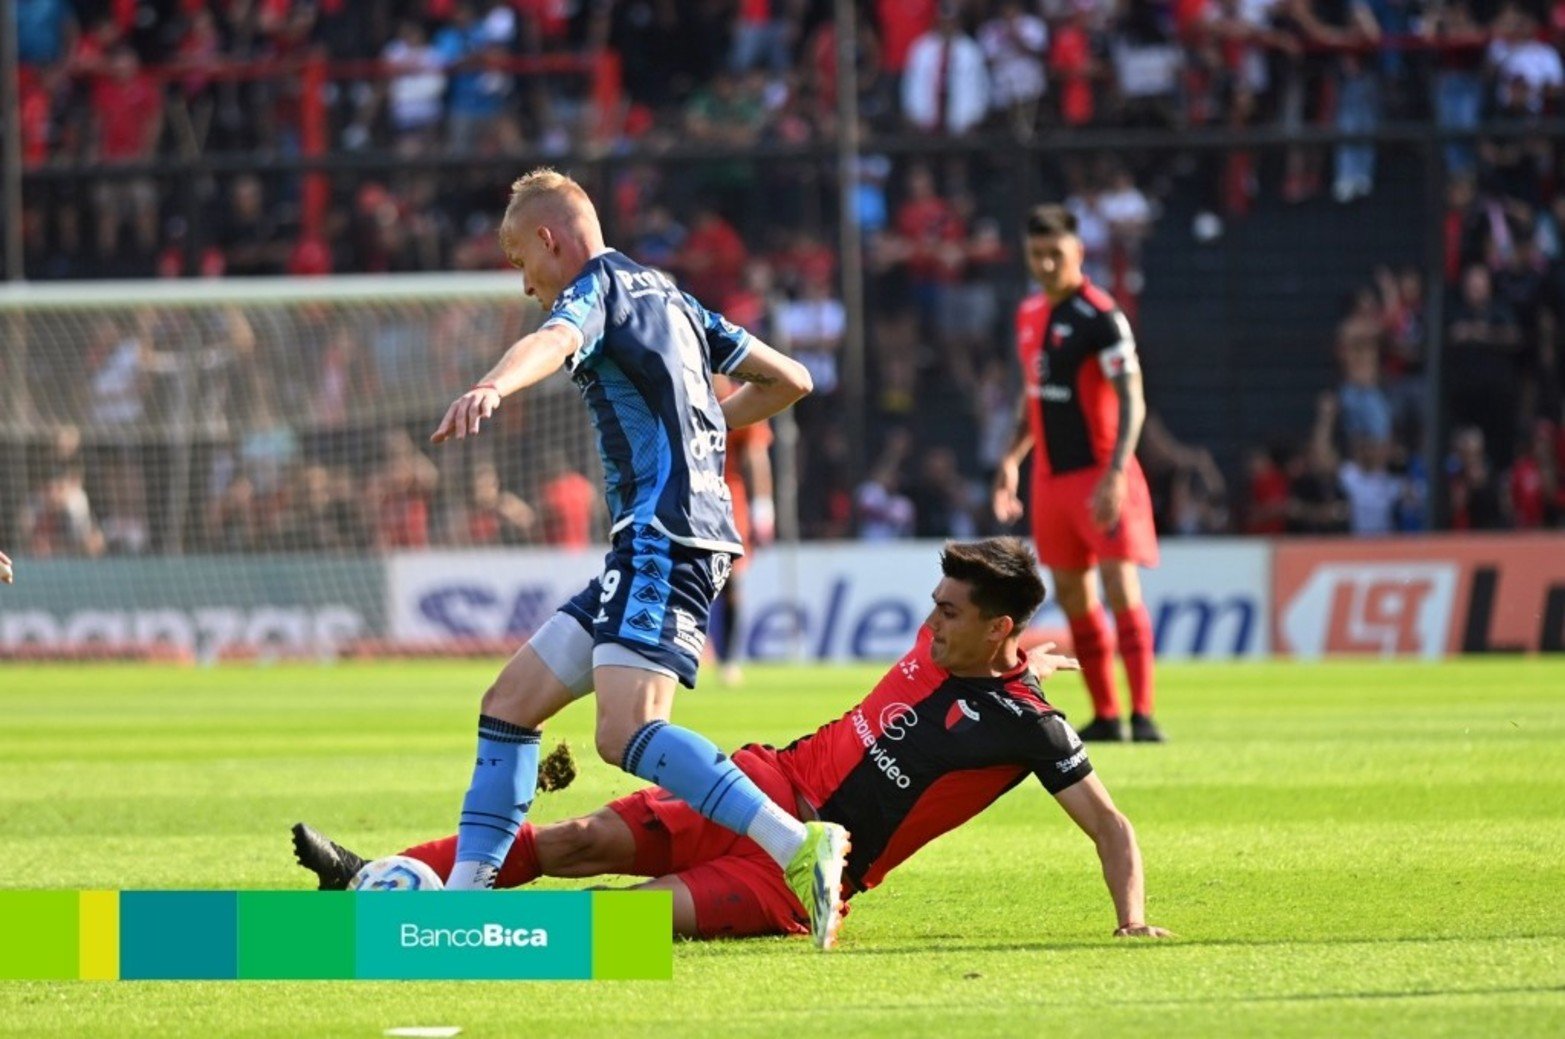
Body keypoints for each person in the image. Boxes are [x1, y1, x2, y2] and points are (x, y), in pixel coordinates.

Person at [294, 538, 1174, 943]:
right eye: (933, 605)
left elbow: (1110, 826)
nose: (929, 623)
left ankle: (444, 933)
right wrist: (1033, 654)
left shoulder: (1027, 727)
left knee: (617, 923)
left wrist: (1131, 920)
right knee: (577, 839)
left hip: (791, 873)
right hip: (760, 782)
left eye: (949, 613)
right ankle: (379, 876)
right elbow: (1002, 654)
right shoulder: (947, 642)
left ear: (997, 627)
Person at [424, 169, 851, 947]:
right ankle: (460, 900)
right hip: (663, 533)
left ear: (552, 240)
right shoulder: (675, 299)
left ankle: (797, 843)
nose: (527, 285)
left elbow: (553, 340)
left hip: (666, 531)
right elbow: (792, 378)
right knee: (509, 701)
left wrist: (491, 384)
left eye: (524, 262)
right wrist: (701, 428)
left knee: (625, 732)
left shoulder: (594, 291)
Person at [992, 205, 1165, 744]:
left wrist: (1117, 474)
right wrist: (1010, 459)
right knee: (1072, 596)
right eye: (1036, 254)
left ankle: (1143, 714)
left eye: (1056, 254)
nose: (1045, 263)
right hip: (1050, 478)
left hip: (1101, 473)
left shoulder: (1101, 316)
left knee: (1119, 587)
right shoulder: (1028, 314)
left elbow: (1133, 399)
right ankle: (1108, 714)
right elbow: (1034, 400)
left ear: (1078, 252)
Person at [711, 374, 775, 686]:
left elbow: (755, 455)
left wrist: (762, 507)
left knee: (731, 581)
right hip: (686, 495)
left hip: (727, 501)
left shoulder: (739, 402)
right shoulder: (685, 394)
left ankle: (729, 660)